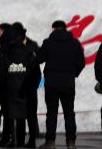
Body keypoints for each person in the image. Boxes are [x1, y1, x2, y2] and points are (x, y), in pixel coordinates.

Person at [37, 20, 84, 149]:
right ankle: (71, 142)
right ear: (65, 28)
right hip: (68, 83)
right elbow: (81, 62)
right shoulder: (75, 43)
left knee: (51, 113)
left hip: (52, 83)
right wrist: (73, 73)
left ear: (54, 29)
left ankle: (50, 142)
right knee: (69, 113)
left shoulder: (48, 42)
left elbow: (39, 59)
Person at [0, 22, 37, 149]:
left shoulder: (5, 51)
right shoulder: (30, 50)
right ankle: (24, 141)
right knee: (27, 115)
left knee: (12, 114)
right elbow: (36, 72)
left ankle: (13, 141)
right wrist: (32, 85)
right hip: (27, 88)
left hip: (11, 86)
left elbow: (1, 71)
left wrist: (3, 83)